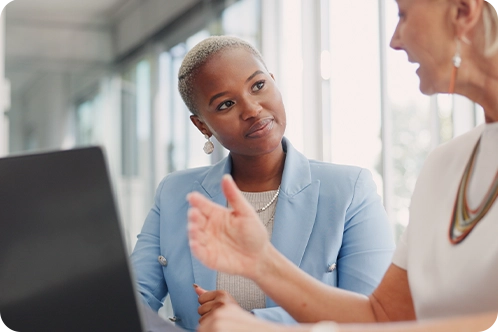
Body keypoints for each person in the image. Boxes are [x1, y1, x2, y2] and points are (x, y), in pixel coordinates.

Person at [186, 0, 498, 331]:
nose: (395, 39)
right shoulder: (444, 165)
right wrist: (262, 262)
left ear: (464, 12)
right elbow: (383, 318)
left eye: (403, 15)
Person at [130, 36, 395, 332]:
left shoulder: (349, 190)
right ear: (202, 125)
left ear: (273, 81)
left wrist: (251, 323)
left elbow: (376, 318)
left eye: (258, 86)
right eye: (226, 104)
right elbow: (130, 306)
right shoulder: (175, 194)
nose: (252, 109)